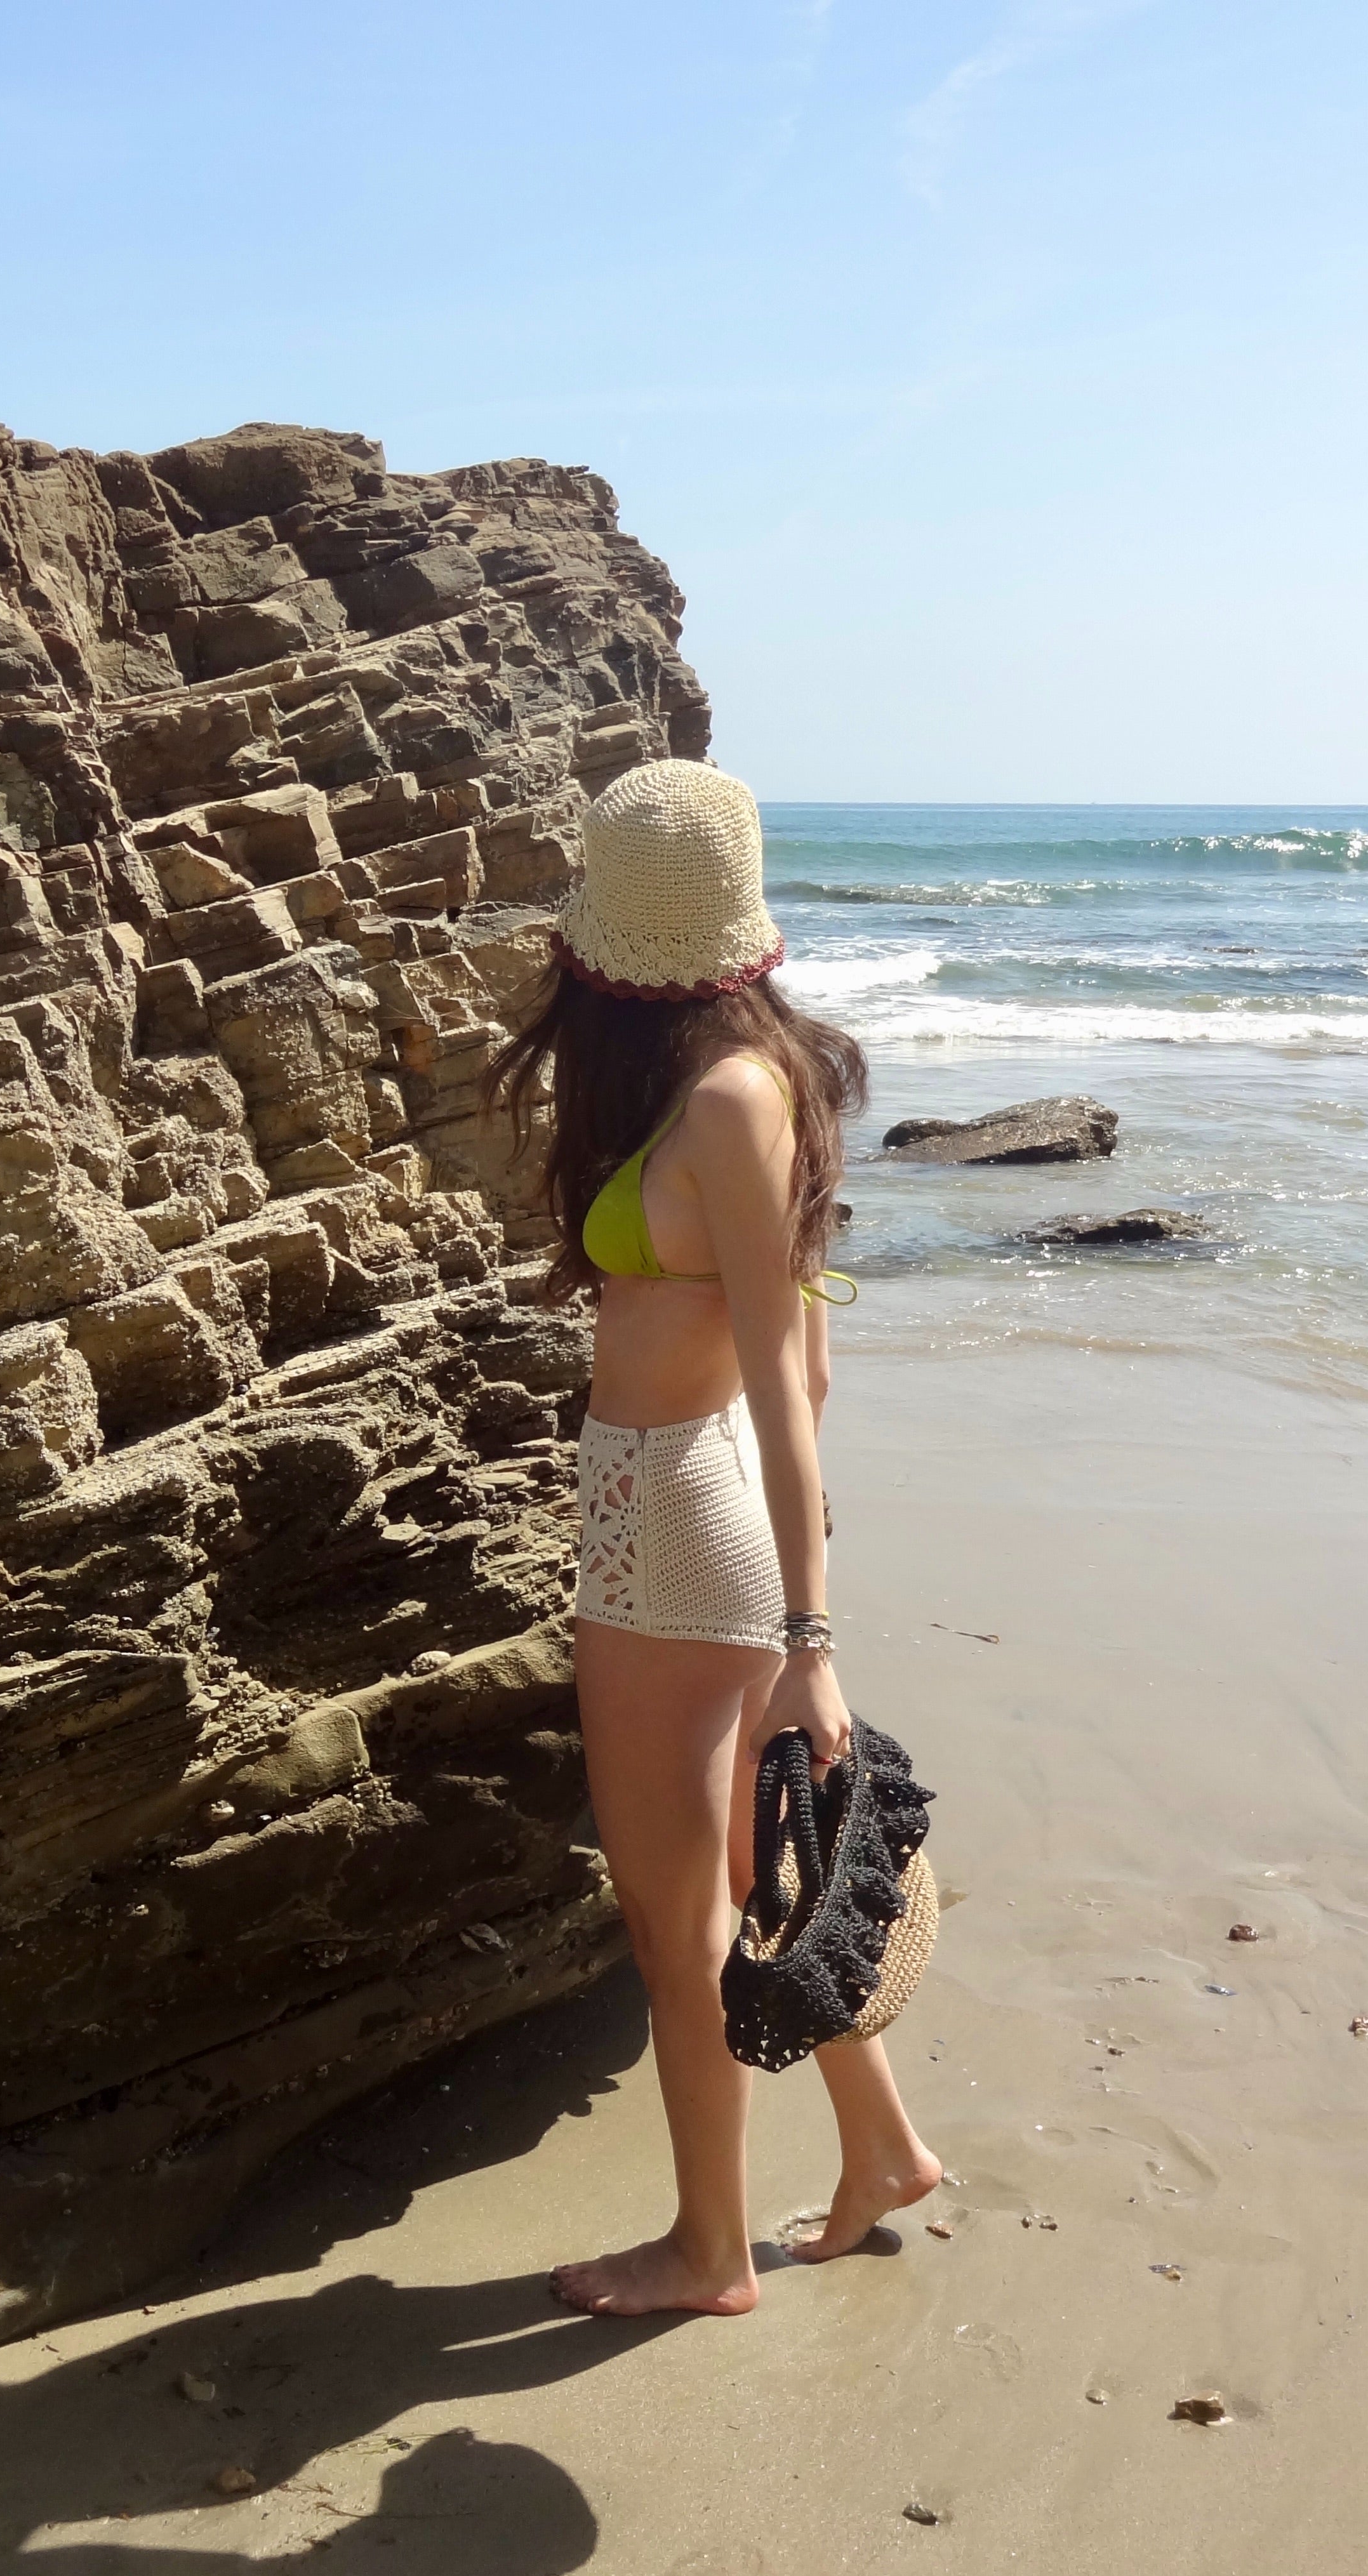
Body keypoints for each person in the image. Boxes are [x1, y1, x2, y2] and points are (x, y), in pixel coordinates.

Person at [486, 759, 943, 2318]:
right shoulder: (748, 1071)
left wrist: (814, 1637)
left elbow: (784, 1368)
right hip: (687, 1501)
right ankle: (882, 2150)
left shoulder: (737, 1097)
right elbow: (801, 1341)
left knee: (673, 1917)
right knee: (758, 1867)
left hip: (677, 1521)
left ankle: (707, 2255)